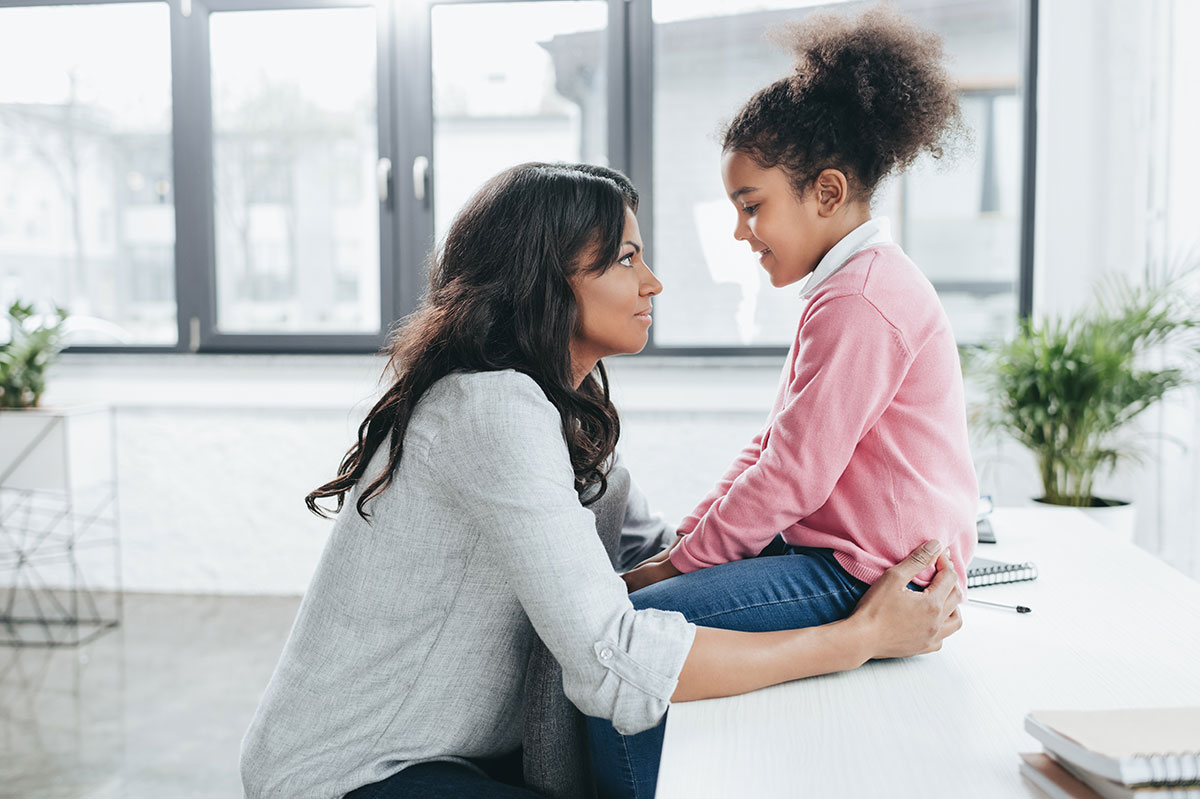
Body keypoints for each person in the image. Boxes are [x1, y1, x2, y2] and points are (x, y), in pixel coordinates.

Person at [239, 162, 962, 799]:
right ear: (544, 282)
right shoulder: (489, 409)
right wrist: (859, 634)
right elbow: (610, 658)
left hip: (465, 754)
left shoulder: (557, 415)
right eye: (624, 259)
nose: (653, 282)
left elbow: (655, 556)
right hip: (357, 773)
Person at [593, 8, 980, 796]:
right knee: (645, 597)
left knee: (631, 644)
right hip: (832, 553)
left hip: (861, 573)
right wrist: (690, 539)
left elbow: (791, 478)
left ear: (827, 192)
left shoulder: (862, 298)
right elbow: (775, 449)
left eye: (752, 204)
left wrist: (676, 564)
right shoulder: (849, 286)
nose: (741, 231)